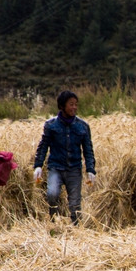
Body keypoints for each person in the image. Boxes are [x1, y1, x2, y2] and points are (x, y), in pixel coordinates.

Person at [33, 90, 96, 225]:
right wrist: (38, 165)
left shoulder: (83, 126)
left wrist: (91, 169)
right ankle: (53, 222)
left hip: (74, 169)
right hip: (56, 167)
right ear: (62, 106)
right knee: (52, 194)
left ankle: (76, 230)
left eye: (76, 104)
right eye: (71, 104)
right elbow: (43, 146)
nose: (74, 107)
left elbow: (88, 149)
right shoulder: (51, 125)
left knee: (75, 204)